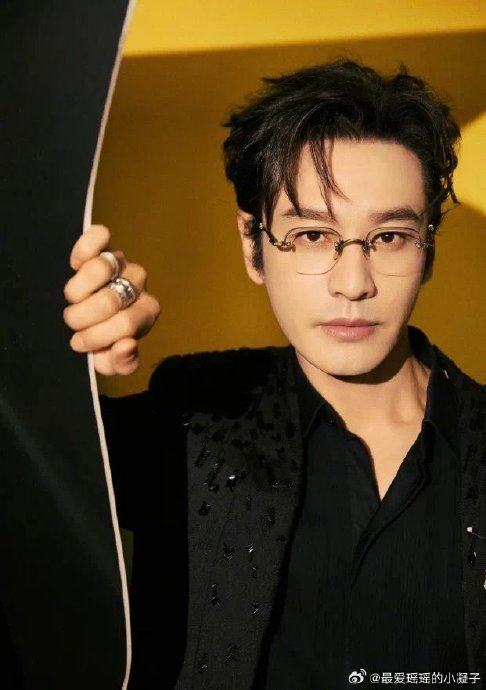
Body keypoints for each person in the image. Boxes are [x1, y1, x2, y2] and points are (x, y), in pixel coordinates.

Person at [64, 59, 485, 689]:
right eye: (312, 235)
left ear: (429, 248)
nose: (353, 283)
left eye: (390, 237)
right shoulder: (191, 418)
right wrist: (67, 361)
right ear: (252, 244)